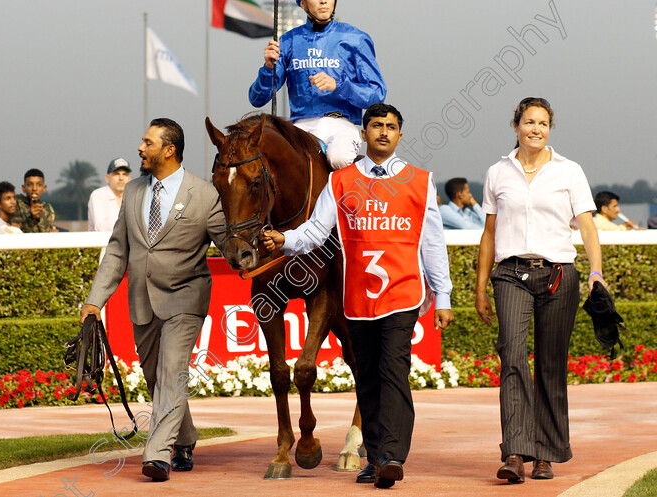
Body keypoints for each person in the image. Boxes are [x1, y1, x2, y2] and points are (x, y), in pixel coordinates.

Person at [262, 103, 453, 489]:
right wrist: (286, 240)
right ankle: (376, 454)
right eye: (377, 126)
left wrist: (443, 294)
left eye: (391, 126)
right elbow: (317, 230)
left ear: (401, 135)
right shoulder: (341, 181)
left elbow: (432, 241)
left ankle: (391, 456)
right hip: (357, 297)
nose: (384, 132)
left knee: (394, 372)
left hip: (403, 294)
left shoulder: (420, 180)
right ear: (363, 134)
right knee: (365, 377)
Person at [79, 118, 226, 482]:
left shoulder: (205, 194)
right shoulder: (132, 191)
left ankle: (158, 454)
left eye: (147, 142)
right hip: (142, 301)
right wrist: (95, 301)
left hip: (186, 299)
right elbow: (117, 251)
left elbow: (231, 246)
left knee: (172, 372)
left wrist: (262, 249)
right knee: (156, 378)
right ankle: (186, 439)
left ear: (169, 149)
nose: (140, 148)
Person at [475, 97, 606, 484]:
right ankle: (515, 451)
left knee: (550, 364)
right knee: (512, 357)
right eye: (529, 122)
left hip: (558, 275)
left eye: (543, 124)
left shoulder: (569, 171)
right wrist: (481, 287)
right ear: (515, 125)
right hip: (511, 273)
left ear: (550, 128)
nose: (536, 129)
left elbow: (586, 226)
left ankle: (545, 454)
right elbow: (488, 233)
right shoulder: (497, 172)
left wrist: (595, 271)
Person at [248, 0, 386, 170]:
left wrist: (338, 86)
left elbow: (377, 94)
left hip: (342, 125)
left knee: (337, 158)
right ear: (303, 3)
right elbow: (257, 99)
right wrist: (268, 67)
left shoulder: (356, 38)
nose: (324, 0)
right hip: (301, 126)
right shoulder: (288, 41)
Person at [88, 157, 132, 232]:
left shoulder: (134, 197)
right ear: (107, 178)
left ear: (129, 178)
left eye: (125, 174)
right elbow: (100, 227)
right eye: (116, 174)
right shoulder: (98, 195)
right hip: (103, 243)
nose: (121, 178)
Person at [11, 168, 58, 232]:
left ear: (44, 188)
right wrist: (33, 217)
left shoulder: (46, 208)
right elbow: (15, 230)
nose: (34, 188)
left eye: (39, 185)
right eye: (30, 185)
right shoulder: (16, 204)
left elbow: (48, 229)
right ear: (24, 188)